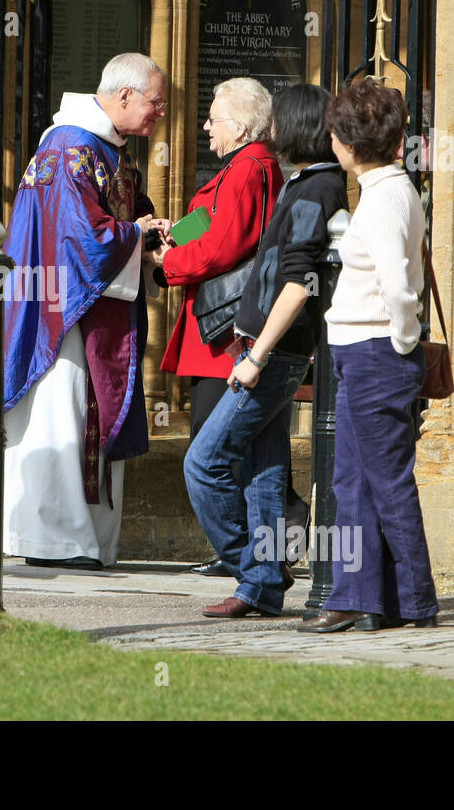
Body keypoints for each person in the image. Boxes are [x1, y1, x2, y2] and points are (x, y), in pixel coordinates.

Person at [0, 52, 168, 570]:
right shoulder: (69, 146)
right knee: (61, 412)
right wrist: (136, 234)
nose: (160, 114)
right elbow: (77, 234)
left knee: (86, 414)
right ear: (123, 96)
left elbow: (123, 212)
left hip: (96, 302)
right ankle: (53, 538)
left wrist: (151, 228)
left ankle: (83, 539)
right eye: (155, 103)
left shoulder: (113, 150)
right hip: (61, 309)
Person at [184, 83, 348, 618]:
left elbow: (299, 281)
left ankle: (257, 570)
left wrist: (256, 358)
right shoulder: (302, 182)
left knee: (204, 464)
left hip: (271, 356)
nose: (270, 127)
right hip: (262, 348)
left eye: (279, 118)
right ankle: (261, 590)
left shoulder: (317, 189)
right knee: (264, 475)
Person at [299, 78, 440, 632]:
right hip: (365, 352)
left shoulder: (384, 198)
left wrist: (403, 341)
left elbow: (398, 288)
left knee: (386, 481)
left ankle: (415, 600)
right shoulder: (386, 189)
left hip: (377, 352)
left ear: (346, 143)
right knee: (353, 482)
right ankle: (362, 597)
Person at [150, 77, 284, 576]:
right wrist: (174, 233)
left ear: (242, 126)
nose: (205, 127)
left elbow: (226, 244)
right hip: (216, 328)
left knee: (215, 443)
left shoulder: (249, 167)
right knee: (234, 442)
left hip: (223, 334)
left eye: (213, 118)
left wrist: (170, 264)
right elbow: (212, 220)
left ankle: (246, 553)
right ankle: (257, 546)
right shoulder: (243, 166)